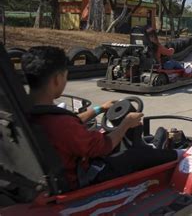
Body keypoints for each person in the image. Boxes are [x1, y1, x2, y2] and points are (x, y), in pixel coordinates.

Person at [21, 46, 177, 190]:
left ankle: (155, 148)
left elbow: (70, 122)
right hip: (85, 178)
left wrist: (99, 109)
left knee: (103, 132)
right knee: (137, 155)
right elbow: (104, 146)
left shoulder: (27, 112)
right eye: (65, 76)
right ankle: (180, 154)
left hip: (54, 172)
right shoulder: (60, 124)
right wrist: (126, 124)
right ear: (56, 79)